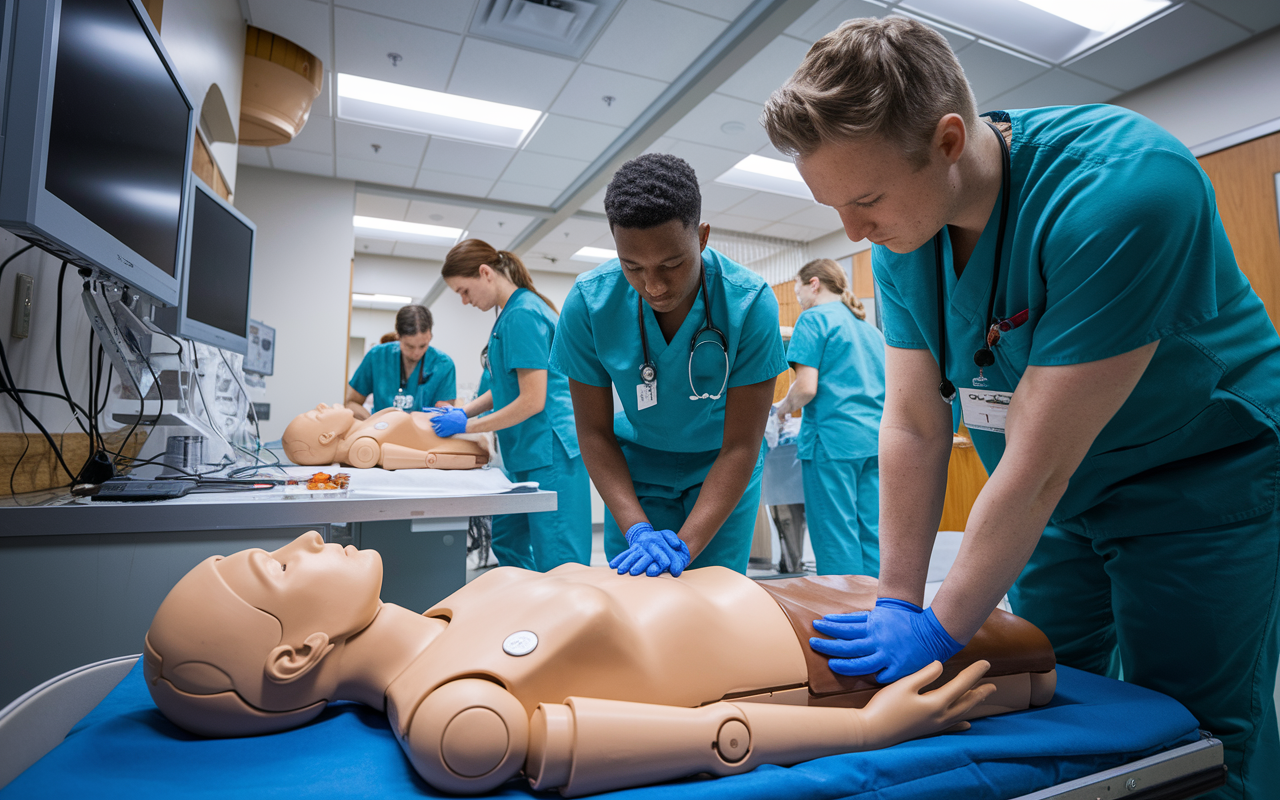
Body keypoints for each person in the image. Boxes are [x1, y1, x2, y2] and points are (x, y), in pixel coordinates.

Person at [762, 17, 1280, 800]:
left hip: (1197, 476)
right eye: (834, 206)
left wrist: (941, 631)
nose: (853, 232)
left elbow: (1038, 464)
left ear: (946, 140)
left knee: (1196, 729)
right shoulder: (910, 232)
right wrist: (900, 598)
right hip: (1059, 500)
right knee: (1043, 690)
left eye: (865, 200)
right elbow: (912, 420)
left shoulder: (1125, 188)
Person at [143, 531, 1057, 796]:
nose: (304, 538)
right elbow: (705, 738)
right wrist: (865, 727)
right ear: (299, 653)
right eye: (279, 566)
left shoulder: (442, 617)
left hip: (783, 594)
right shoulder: (453, 720)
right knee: (1035, 650)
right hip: (820, 661)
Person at [550, 154, 787, 577]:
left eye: (672, 264)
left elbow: (741, 445)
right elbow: (593, 431)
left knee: (713, 608)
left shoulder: (749, 303)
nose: (653, 286)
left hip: (721, 468)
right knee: (636, 610)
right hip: (635, 472)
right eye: (632, 267)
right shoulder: (589, 303)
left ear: (702, 237)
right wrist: (638, 529)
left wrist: (686, 544)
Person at [431, 241, 591, 572]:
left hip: (550, 454)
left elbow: (533, 400)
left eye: (464, 291)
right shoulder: (509, 315)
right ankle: (531, 602)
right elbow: (506, 387)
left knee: (560, 560)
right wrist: (465, 411)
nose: (464, 301)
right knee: (505, 538)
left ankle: (563, 617)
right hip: (524, 453)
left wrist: (467, 427)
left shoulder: (523, 314)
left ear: (485, 273)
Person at [773, 258, 886, 576]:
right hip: (874, 443)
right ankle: (876, 610)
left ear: (813, 283)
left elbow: (806, 389)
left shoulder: (813, 321)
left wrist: (782, 408)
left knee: (835, 533)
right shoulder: (870, 330)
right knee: (871, 532)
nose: (797, 296)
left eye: (797, 288)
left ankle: (844, 612)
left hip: (832, 443)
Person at [281, 403, 489, 470]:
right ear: (327, 436)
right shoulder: (364, 444)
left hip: (450, 429)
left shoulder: (362, 430)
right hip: (456, 441)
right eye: (317, 414)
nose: (321, 406)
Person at [346, 305, 457, 419]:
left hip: (423, 435)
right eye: (409, 346)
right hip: (382, 432)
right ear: (398, 336)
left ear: (430, 336)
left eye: (423, 346)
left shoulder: (444, 365)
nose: (416, 353)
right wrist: (372, 423)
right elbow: (351, 403)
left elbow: (445, 415)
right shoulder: (377, 356)